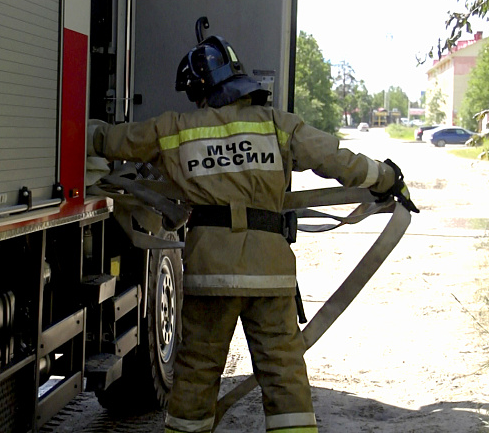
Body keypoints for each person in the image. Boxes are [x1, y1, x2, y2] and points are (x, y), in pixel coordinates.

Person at [87, 33, 418, 433]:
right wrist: (386, 178)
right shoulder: (278, 125)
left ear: (201, 89)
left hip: (211, 274)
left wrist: (84, 133)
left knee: (195, 374)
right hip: (270, 274)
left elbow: (115, 141)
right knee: (284, 375)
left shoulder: (175, 130)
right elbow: (333, 157)